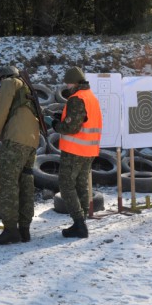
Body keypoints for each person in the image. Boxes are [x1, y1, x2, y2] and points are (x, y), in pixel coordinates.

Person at [46, 66, 102, 239]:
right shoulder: (90, 97)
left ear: (74, 82)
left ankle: (79, 223)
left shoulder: (77, 99)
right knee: (81, 184)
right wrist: (60, 117)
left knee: (66, 184)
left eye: (68, 83)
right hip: (89, 149)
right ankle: (81, 221)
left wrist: (54, 125)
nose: (67, 86)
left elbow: (71, 127)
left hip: (75, 150)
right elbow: (81, 120)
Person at [0, 66, 41, 245]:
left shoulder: (10, 83)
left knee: (7, 183)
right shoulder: (27, 87)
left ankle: (11, 230)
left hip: (16, 139)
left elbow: (1, 110)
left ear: (2, 78)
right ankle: (24, 229)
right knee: (25, 183)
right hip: (32, 141)